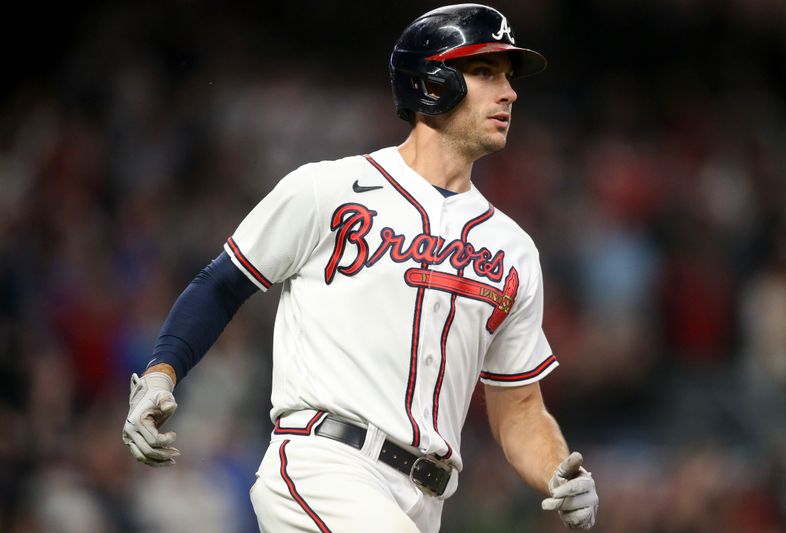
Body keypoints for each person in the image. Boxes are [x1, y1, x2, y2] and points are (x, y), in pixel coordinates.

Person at [123, 4, 599, 532]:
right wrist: (161, 375)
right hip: (324, 464)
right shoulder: (328, 189)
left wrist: (558, 470)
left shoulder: (513, 249)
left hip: (425, 499)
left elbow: (520, 410)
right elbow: (222, 283)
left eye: (508, 78)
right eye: (485, 73)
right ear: (432, 83)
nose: (509, 93)